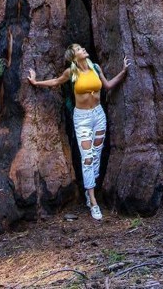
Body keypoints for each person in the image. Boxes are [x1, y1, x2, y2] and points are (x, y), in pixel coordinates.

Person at [28, 42, 130, 220]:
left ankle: (90, 190)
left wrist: (123, 71)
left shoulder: (95, 67)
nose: (83, 49)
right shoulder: (72, 72)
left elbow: (107, 86)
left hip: (98, 115)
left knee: (96, 155)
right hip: (82, 118)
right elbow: (56, 81)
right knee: (87, 157)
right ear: (74, 56)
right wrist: (36, 82)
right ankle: (92, 200)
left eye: (82, 47)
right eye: (78, 49)